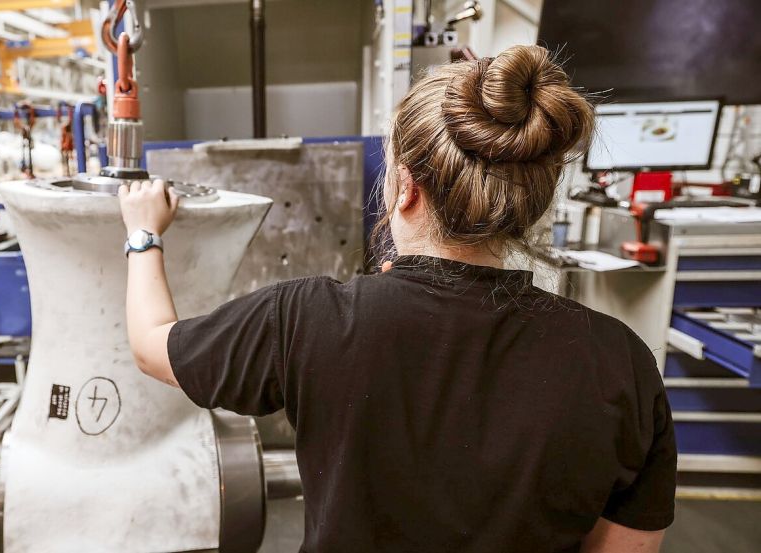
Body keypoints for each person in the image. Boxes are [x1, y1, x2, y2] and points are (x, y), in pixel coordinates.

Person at [118, 44, 676, 553]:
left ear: (405, 186)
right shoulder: (620, 361)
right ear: (532, 201)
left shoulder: (310, 319)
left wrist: (144, 233)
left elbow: (151, 345)